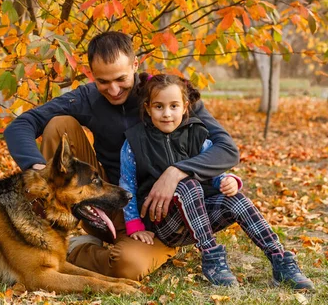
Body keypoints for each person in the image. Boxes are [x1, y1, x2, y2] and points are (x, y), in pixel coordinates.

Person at [4, 31, 240, 281]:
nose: (113, 89)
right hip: (108, 201)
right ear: (91, 74)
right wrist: (38, 168)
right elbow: (21, 125)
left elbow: (226, 148)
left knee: (128, 267)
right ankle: (64, 228)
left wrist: (176, 172)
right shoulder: (87, 97)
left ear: (135, 65)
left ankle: (80, 250)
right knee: (59, 124)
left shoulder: (167, 96)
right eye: (103, 81)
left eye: (121, 78)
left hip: (162, 216)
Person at [119, 73, 314, 289]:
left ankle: (280, 260)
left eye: (174, 106)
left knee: (235, 199)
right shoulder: (134, 142)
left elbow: (214, 172)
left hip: (198, 218)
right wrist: (134, 224)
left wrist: (227, 180)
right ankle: (211, 257)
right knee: (187, 184)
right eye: (159, 107)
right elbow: (127, 185)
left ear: (185, 107)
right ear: (147, 108)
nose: (167, 114)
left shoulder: (198, 134)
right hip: (163, 222)